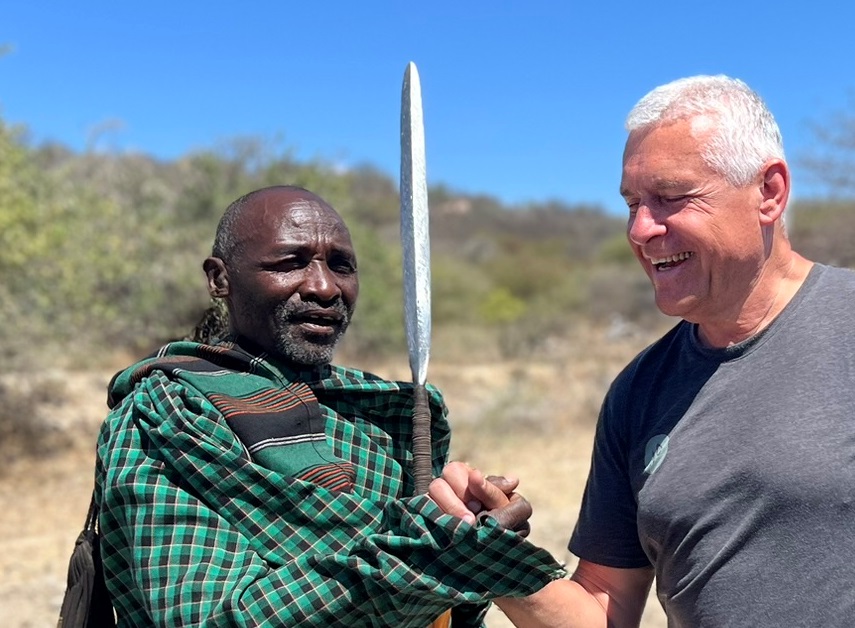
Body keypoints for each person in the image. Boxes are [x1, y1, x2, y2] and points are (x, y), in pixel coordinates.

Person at [435, 75, 855, 626]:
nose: (641, 229)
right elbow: (604, 608)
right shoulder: (639, 390)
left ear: (769, 193)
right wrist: (492, 559)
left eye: (671, 198)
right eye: (632, 203)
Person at [94, 185, 564, 627]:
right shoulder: (167, 413)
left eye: (341, 266)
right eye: (290, 262)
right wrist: (434, 557)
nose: (323, 287)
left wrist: (470, 532)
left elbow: (428, 599)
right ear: (220, 279)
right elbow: (207, 617)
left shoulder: (381, 417)